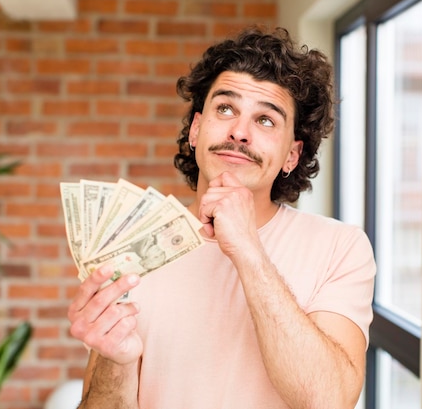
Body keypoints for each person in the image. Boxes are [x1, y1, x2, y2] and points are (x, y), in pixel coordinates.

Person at [68, 26, 376, 409]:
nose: (239, 132)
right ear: (196, 129)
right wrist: (118, 360)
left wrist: (248, 250)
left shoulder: (340, 247)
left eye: (266, 120)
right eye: (226, 108)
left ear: (291, 156)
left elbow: (329, 401)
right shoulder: (134, 242)